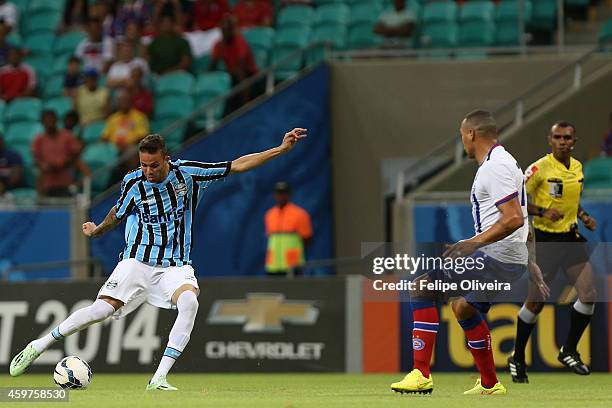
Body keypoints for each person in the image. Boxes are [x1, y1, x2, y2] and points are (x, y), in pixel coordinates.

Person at [10, 127, 308, 391]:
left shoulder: (188, 173)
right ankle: (37, 346)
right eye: (143, 165)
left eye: (153, 165)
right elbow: (118, 212)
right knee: (100, 311)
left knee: (190, 303)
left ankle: (159, 378)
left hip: (175, 266)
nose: (148, 171)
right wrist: (97, 230)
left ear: (166, 158)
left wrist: (280, 149)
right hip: (136, 261)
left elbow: (238, 166)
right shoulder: (134, 182)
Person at [391, 110, 527, 396]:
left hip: (497, 255)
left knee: (421, 288)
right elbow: (524, 216)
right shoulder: (506, 162)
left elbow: (514, 218)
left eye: (462, 135)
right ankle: (490, 383)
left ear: (472, 134)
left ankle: (420, 374)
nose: (462, 141)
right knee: (462, 306)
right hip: (509, 256)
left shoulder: (495, 167)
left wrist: (472, 243)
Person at [508, 121, 597, 382]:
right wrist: (542, 211)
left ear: (574, 140)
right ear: (550, 140)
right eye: (557, 137)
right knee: (535, 303)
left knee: (589, 293)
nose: (562, 141)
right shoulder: (538, 168)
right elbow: (517, 201)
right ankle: (517, 356)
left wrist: (583, 215)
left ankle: (568, 349)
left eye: (567, 137)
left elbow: (572, 201)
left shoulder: (578, 167)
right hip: (545, 241)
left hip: (570, 238)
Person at [31, 110, 85, 197]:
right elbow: (35, 159)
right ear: (42, 122)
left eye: (52, 120)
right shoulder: (39, 140)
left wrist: (62, 163)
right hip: (47, 183)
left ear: (56, 120)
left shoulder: (67, 136)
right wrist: (44, 165)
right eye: (47, 121)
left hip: (65, 181)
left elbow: (76, 154)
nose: (50, 123)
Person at [264, 181, 312, 276]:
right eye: (278, 193)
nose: (281, 196)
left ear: (289, 195)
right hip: (273, 266)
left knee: (293, 290)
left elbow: (307, 239)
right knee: (274, 291)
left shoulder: (300, 214)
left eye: (283, 193)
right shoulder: (269, 214)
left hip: (293, 266)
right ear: (274, 195)